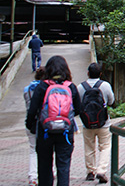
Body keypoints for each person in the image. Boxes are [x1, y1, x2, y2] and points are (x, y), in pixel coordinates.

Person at [25, 55, 82, 186]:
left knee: (44, 167)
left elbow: (32, 110)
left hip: (45, 132)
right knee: (63, 167)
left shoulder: (42, 86)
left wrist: (30, 125)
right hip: (65, 133)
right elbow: (78, 109)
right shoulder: (71, 87)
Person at [78, 63, 114, 184]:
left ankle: (90, 171)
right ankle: (101, 170)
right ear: (100, 74)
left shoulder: (80, 87)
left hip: (87, 123)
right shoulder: (105, 85)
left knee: (89, 147)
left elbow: (78, 104)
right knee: (105, 146)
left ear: (88, 73)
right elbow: (111, 101)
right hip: (103, 122)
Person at [24, 67, 45, 186]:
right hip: (44, 122)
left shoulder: (26, 90)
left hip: (31, 122)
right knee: (47, 149)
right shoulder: (46, 89)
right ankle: (50, 172)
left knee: (33, 150)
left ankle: (33, 176)